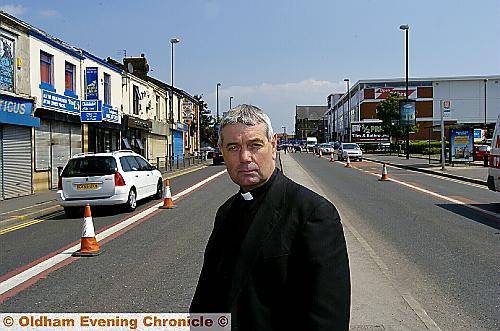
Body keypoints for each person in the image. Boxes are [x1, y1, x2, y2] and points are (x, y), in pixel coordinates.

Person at [190, 104, 350, 330]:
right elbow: (207, 296)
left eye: (255, 145)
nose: (245, 157)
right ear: (221, 150)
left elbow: (327, 319)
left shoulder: (313, 213)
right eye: (233, 147)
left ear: (273, 145)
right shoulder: (225, 212)